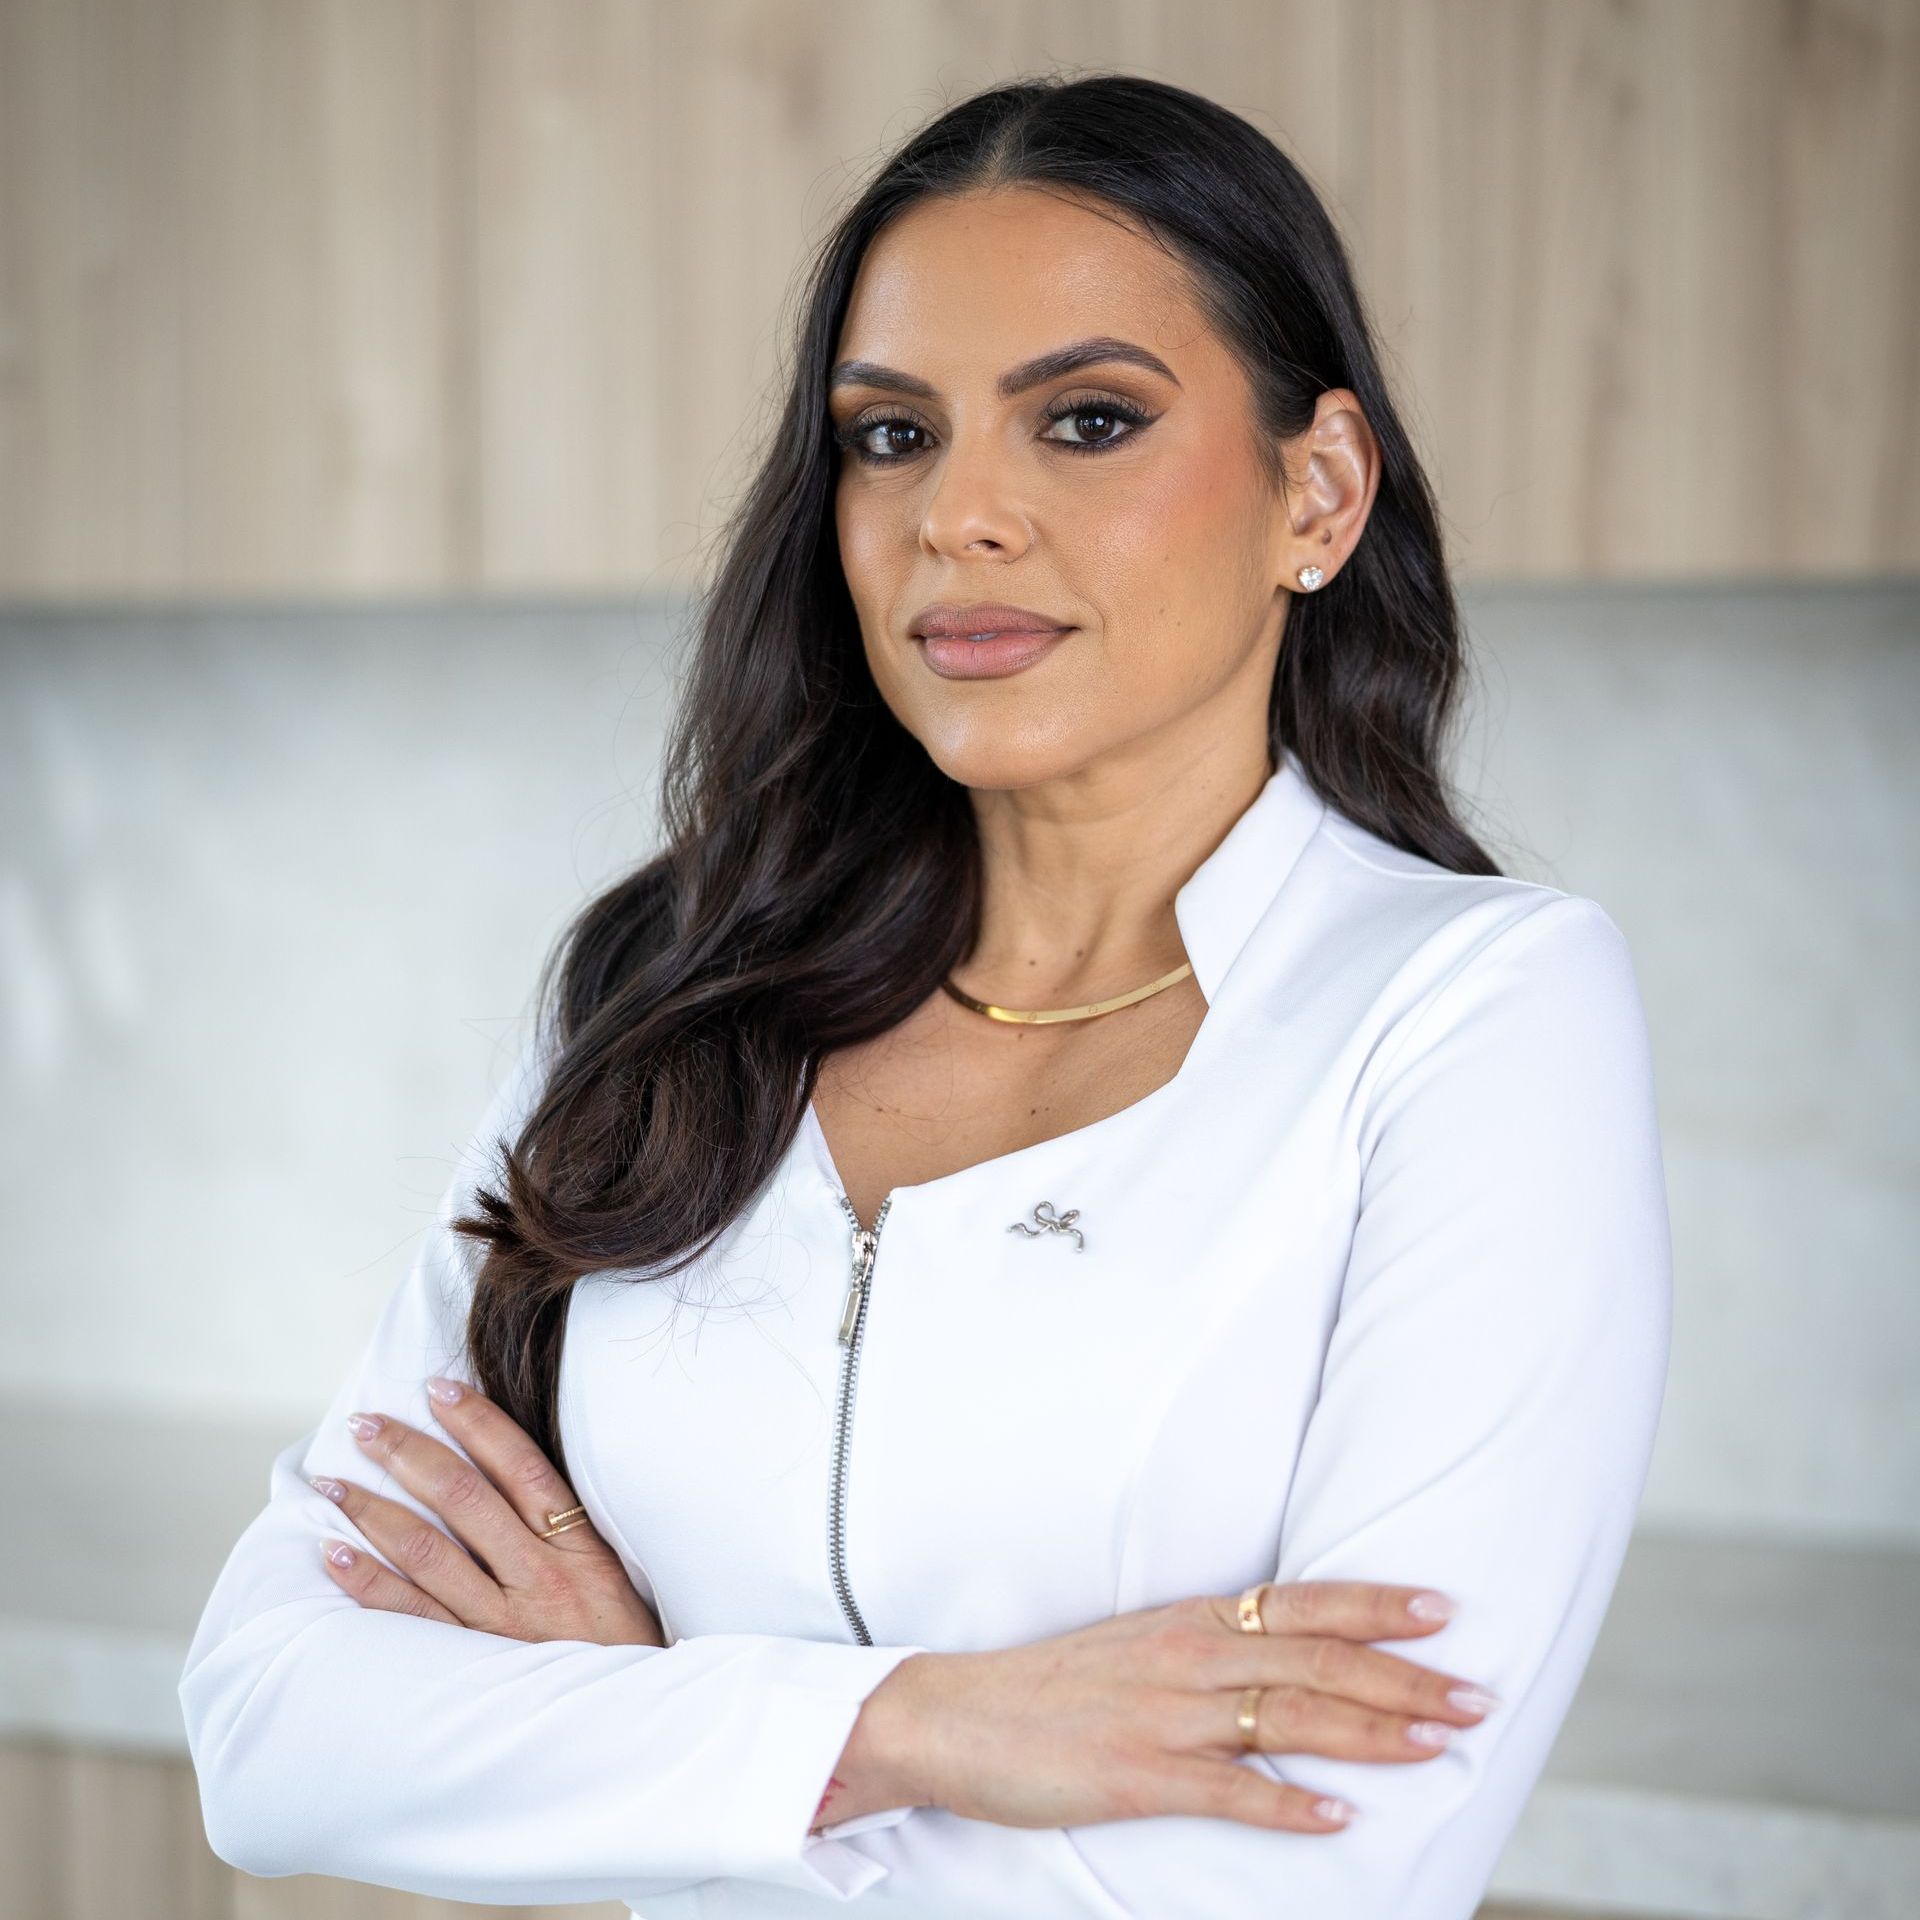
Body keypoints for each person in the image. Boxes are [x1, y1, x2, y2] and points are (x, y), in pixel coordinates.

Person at [179, 72, 1671, 1919]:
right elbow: (270, 1725)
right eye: (891, 437)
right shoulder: (666, 993)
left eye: (1090, 421)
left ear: (1319, 487)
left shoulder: (1472, 1015)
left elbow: (1317, 1865)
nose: (959, 514)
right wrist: (913, 1732)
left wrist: (650, 1727)